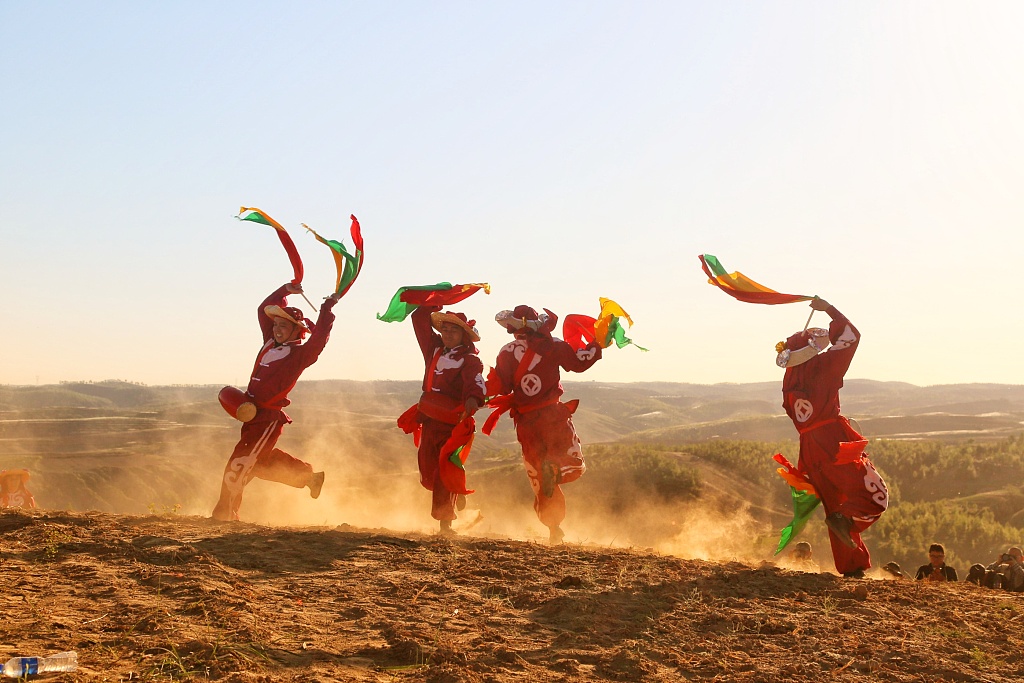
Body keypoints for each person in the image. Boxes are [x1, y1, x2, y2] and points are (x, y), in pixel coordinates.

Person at [776, 297, 888, 577]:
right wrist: (830, 311)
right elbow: (851, 336)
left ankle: (852, 566)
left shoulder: (789, 379)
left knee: (836, 499)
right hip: (833, 441)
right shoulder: (823, 367)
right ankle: (846, 521)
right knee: (875, 497)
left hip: (809, 447)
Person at [212, 283, 340, 521]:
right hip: (252, 415)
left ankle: (224, 515)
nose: (278, 329)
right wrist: (285, 290)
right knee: (260, 463)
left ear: (297, 331)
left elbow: (320, 337)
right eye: (277, 325)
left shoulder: (299, 355)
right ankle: (309, 478)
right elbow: (263, 309)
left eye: (284, 326)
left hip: (267, 419)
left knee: (239, 464)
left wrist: (327, 307)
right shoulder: (270, 342)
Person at [485, 305, 602, 545]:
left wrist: (474, 394)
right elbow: (580, 363)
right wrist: (598, 343)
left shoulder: (507, 352)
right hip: (553, 414)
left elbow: (499, 387)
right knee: (570, 458)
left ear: (513, 328)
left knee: (536, 470)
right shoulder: (554, 346)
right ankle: (556, 469)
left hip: (527, 421)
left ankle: (553, 527)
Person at [404, 306, 486, 536]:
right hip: (430, 418)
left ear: (463, 335)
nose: (448, 334)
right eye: (445, 329)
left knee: (443, 470)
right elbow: (419, 319)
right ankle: (455, 492)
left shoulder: (470, 360)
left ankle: (445, 524)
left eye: (453, 331)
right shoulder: (434, 350)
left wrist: (472, 400)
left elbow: (476, 383)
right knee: (428, 467)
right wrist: (433, 304)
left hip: (452, 424)